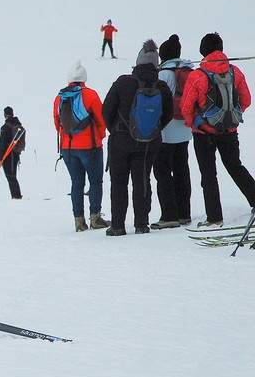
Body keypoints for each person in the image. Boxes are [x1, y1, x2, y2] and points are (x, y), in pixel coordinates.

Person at [181, 32, 255, 228]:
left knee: (208, 174)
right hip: (230, 131)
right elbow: (246, 100)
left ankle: (214, 218)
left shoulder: (198, 75)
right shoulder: (234, 71)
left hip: (203, 133)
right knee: (235, 167)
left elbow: (186, 106)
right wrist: (231, 117)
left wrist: (194, 123)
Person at [102, 40, 173, 236]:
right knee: (142, 181)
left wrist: (116, 130)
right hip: (149, 143)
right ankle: (141, 224)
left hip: (121, 141)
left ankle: (117, 226)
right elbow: (168, 114)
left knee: (118, 183)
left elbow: (106, 110)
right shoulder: (162, 86)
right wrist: (152, 130)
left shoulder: (123, 82)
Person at [52, 60, 110, 232]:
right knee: (95, 182)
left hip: (68, 147)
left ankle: (79, 221)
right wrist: (99, 136)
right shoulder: (91, 95)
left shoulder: (59, 97)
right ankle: (95, 218)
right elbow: (101, 119)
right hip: (90, 147)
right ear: (84, 78)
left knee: (76, 183)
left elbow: (57, 122)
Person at [151, 34, 194, 229]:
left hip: (166, 132)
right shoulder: (187, 70)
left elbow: (159, 102)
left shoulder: (164, 74)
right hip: (185, 129)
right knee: (182, 170)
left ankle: (169, 215)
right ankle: (184, 213)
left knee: (162, 172)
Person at [0, 106, 24, 200]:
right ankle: (16, 196)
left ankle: (16, 196)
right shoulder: (17, 125)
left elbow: (2, 144)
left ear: (5, 115)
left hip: (8, 155)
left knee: (10, 176)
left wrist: (0, 159)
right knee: (13, 176)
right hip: (16, 154)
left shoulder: (5, 127)